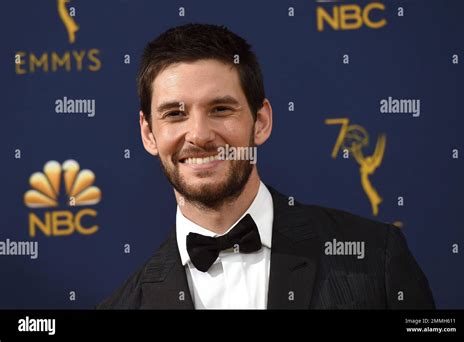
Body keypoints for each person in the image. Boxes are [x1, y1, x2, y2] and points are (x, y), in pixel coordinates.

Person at [97, 23, 435, 309]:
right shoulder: (125, 304)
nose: (199, 135)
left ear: (261, 121)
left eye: (220, 109)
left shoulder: (376, 257)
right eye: (175, 114)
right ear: (148, 134)